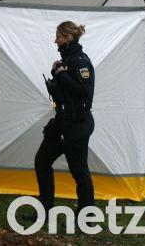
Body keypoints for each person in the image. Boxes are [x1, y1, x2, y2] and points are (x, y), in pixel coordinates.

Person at [33, 21, 95, 217]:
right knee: (42, 161)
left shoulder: (80, 61)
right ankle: (45, 208)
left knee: (79, 171)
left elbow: (85, 93)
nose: (55, 40)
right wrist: (56, 74)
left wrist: (63, 76)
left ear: (68, 38)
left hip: (77, 123)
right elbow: (64, 94)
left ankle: (86, 216)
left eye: (58, 36)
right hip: (62, 121)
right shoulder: (67, 60)